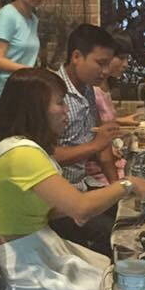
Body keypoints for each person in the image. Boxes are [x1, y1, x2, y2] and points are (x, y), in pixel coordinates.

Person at [0, 69, 145, 290]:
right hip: (28, 270)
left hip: (39, 251)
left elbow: (57, 208)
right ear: (35, 109)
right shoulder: (21, 155)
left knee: (118, 276)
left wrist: (84, 206)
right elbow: (81, 209)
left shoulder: (18, 147)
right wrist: (128, 184)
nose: (66, 110)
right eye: (59, 103)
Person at [50, 24, 122, 256]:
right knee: (118, 238)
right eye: (100, 63)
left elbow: (102, 141)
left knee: (131, 218)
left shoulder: (88, 88)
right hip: (58, 203)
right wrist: (95, 145)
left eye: (108, 64)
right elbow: (46, 154)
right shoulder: (50, 92)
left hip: (82, 188)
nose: (105, 71)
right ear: (76, 57)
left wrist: (116, 188)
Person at [85, 29, 134, 187]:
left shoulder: (105, 84)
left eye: (127, 58)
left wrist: (122, 121)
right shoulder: (91, 89)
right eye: (121, 58)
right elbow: (95, 132)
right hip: (97, 169)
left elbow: (102, 123)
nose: (125, 64)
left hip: (111, 158)